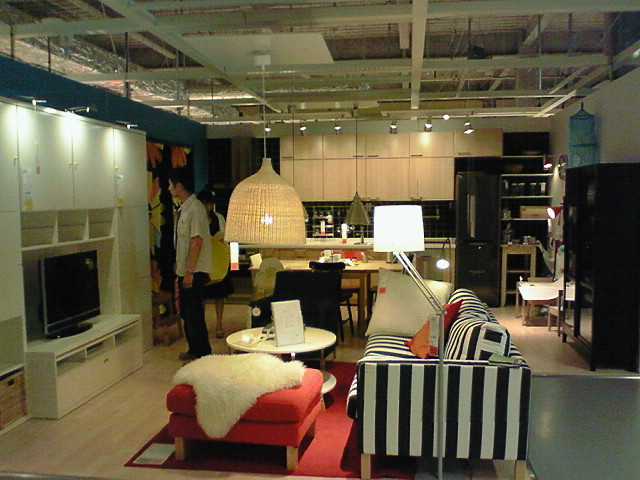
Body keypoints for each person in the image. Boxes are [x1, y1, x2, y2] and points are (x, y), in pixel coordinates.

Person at [168, 168, 213, 361]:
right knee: (187, 312)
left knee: (193, 312)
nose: (169, 188)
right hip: (185, 268)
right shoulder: (184, 208)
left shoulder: (195, 209)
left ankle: (201, 350)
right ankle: (195, 348)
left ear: (179, 186)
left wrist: (189, 272)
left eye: (171, 185)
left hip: (193, 270)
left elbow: (197, 241)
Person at [196, 187, 235, 338]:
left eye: (209, 204)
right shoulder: (196, 220)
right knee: (202, 296)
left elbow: (225, 238)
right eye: (204, 204)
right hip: (202, 262)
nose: (207, 207)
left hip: (218, 262)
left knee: (219, 295)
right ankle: (202, 325)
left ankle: (219, 325)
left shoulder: (218, 218)